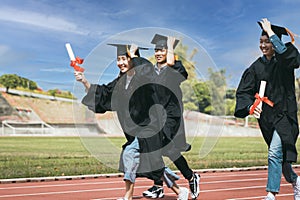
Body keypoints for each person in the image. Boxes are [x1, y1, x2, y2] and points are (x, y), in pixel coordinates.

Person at [75, 43, 166, 200]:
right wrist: (84, 81)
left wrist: (133, 55)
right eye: (118, 59)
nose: (121, 62)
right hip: (133, 130)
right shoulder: (120, 83)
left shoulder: (144, 78)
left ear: (133, 60)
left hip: (148, 128)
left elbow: (147, 70)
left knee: (130, 155)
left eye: (124, 58)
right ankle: (178, 188)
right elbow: (103, 93)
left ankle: (128, 196)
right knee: (151, 160)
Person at [234, 18, 300, 200]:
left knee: (274, 153)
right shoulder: (256, 67)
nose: (263, 45)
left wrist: (270, 31)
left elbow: (290, 57)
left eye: (267, 41)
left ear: (275, 41)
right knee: (281, 158)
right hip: (267, 119)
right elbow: (244, 92)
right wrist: (249, 107)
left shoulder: (285, 60)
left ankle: (271, 194)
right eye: (261, 41)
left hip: (285, 116)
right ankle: (296, 181)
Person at [142, 34, 200, 199]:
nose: (158, 53)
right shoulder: (151, 71)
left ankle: (158, 185)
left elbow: (173, 65)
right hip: (156, 117)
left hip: (171, 116)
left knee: (157, 146)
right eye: (156, 50)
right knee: (168, 149)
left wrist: (171, 45)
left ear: (169, 51)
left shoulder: (176, 67)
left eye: (162, 50)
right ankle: (189, 176)